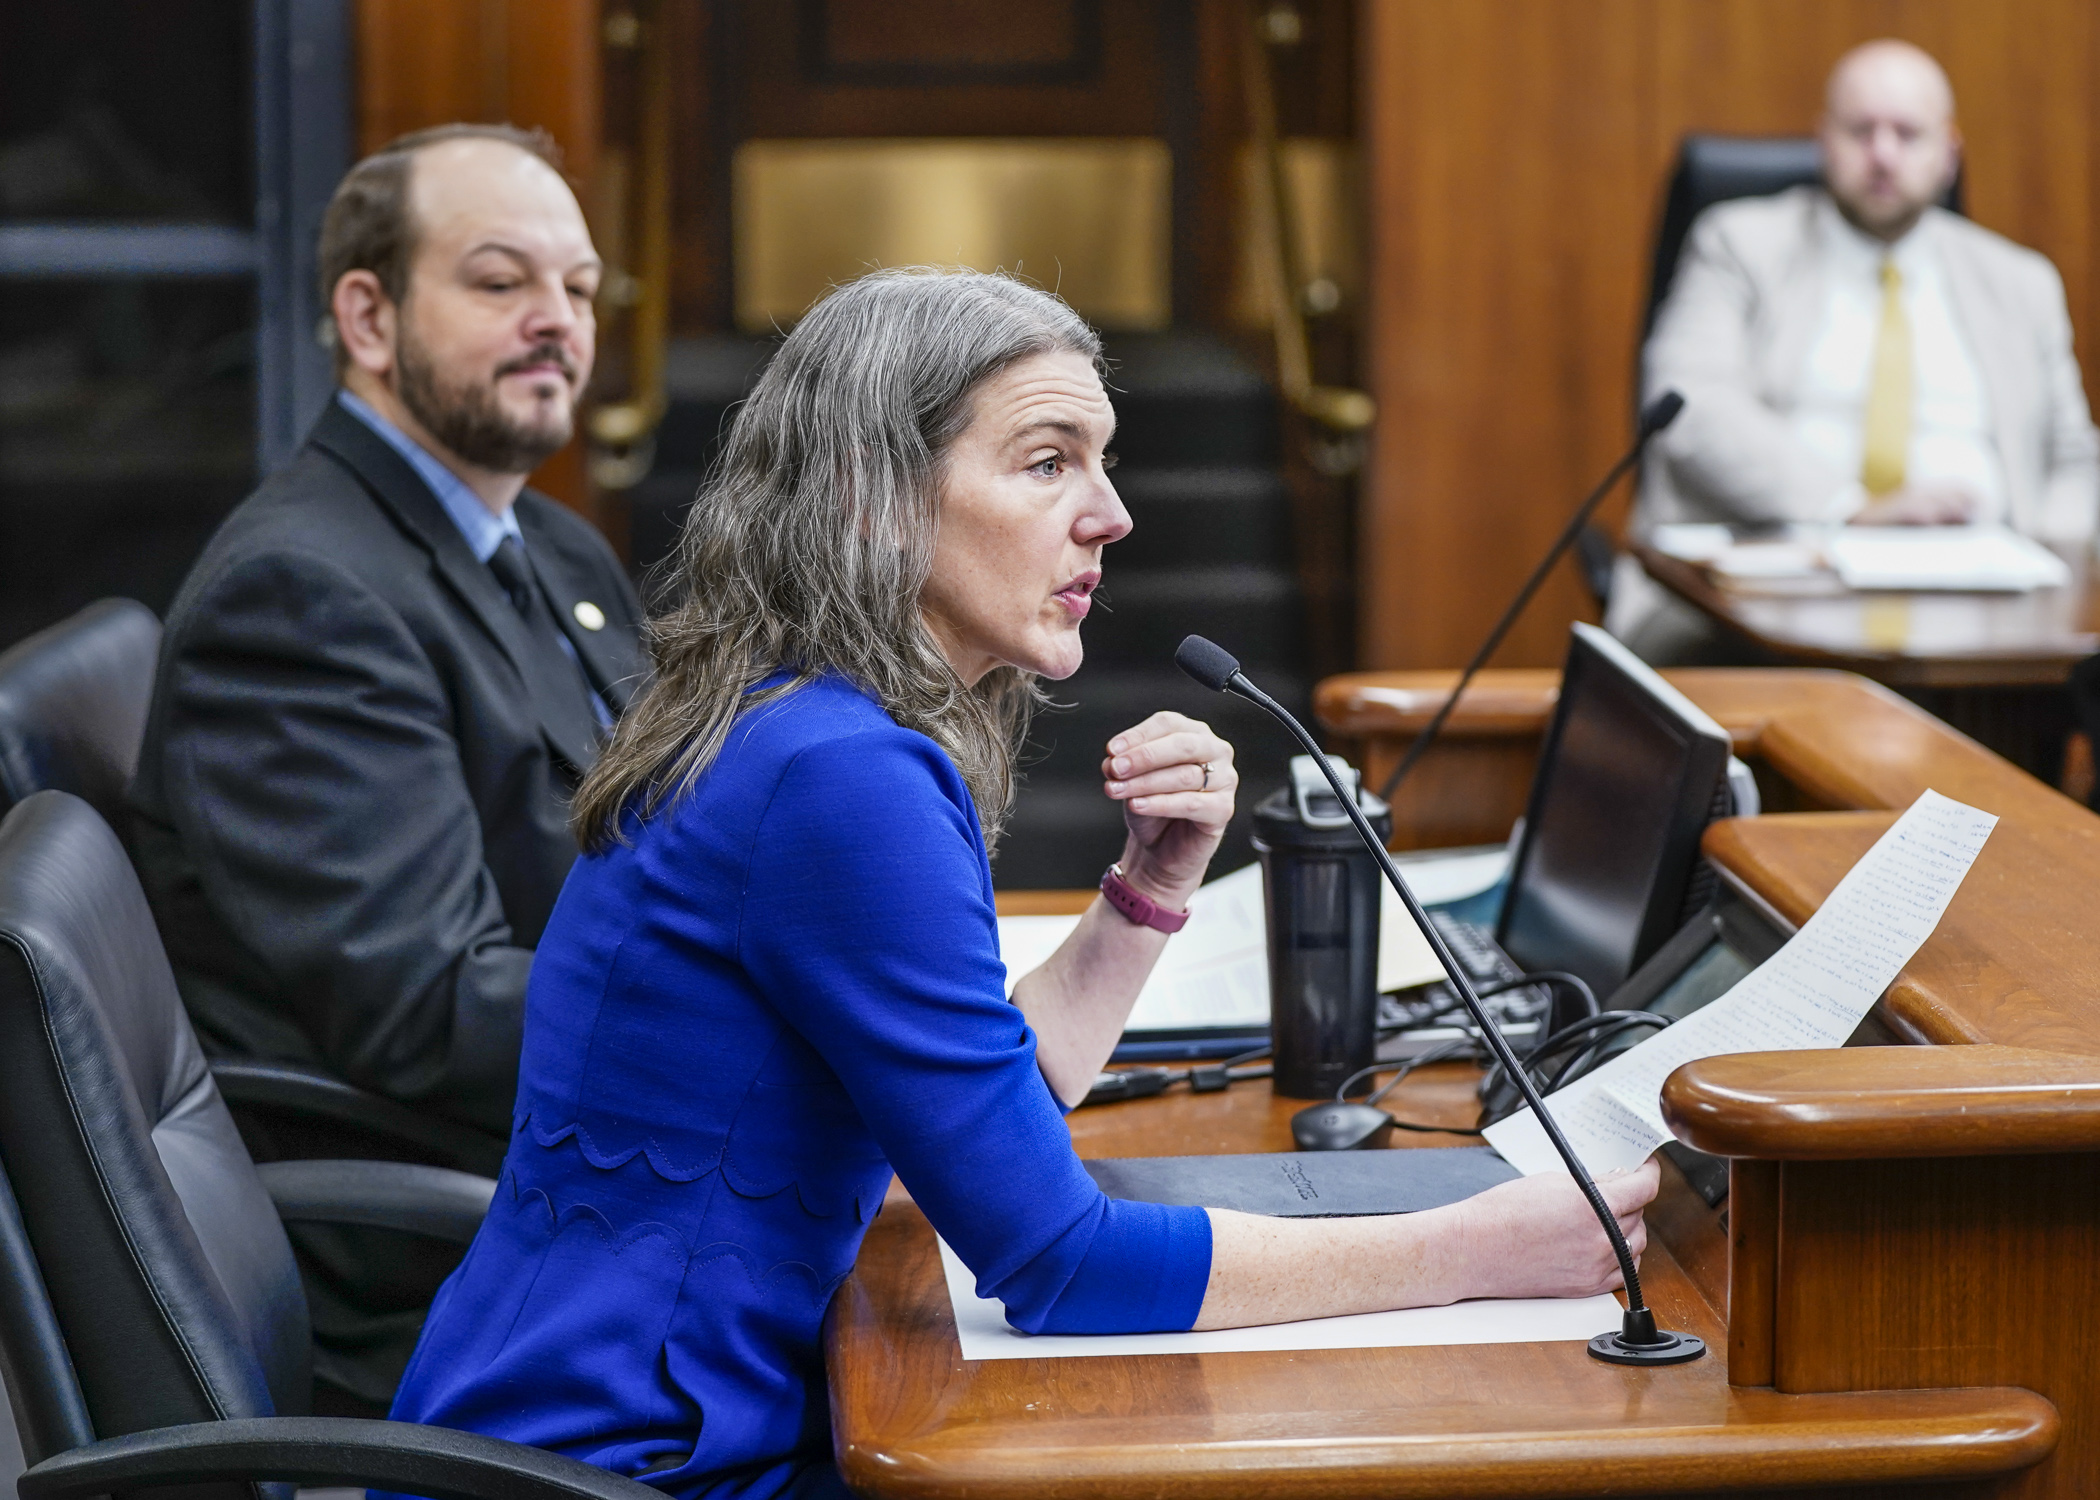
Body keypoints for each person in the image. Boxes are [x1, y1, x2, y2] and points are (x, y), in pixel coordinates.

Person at [384, 268, 1659, 1499]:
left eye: (1100, 464)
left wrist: (1148, 890)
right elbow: (1059, 1263)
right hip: (633, 1465)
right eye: (1050, 462)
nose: (1110, 515)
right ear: (871, 498)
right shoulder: (839, 779)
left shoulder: (789, 719)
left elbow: (995, 1111)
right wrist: (1480, 1251)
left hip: (594, 1422)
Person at [126, 124, 644, 1402]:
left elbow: (678, 838)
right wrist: (778, 1010)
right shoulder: (299, 597)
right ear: (367, 314)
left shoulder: (551, 546)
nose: (558, 322)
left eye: (577, 289)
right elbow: (437, 1014)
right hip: (468, 1270)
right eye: (499, 280)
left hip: (600, 1171)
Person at [1611, 39, 2100, 661]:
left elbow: (2073, 457)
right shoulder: (1740, 245)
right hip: (1763, 601)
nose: (1883, 154)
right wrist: (1851, 507)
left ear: (1949, 153)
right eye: (1861, 131)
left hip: (1986, 614)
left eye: (1907, 133)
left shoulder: (2021, 283)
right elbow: (1690, 405)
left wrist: (2046, 566)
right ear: (1824, 140)